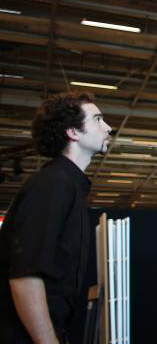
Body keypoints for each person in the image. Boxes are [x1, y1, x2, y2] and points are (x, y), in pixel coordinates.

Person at [0, 92, 112, 344]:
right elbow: (25, 278)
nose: (108, 127)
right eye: (97, 119)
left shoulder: (67, 185)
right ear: (73, 132)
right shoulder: (53, 185)